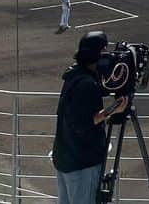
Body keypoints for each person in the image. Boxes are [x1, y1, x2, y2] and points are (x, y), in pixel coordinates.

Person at [53, 31, 128, 204]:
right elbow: (85, 122)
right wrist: (113, 109)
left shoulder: (73, 76)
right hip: (81, 163)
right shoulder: (87, 84)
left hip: (65, 157)